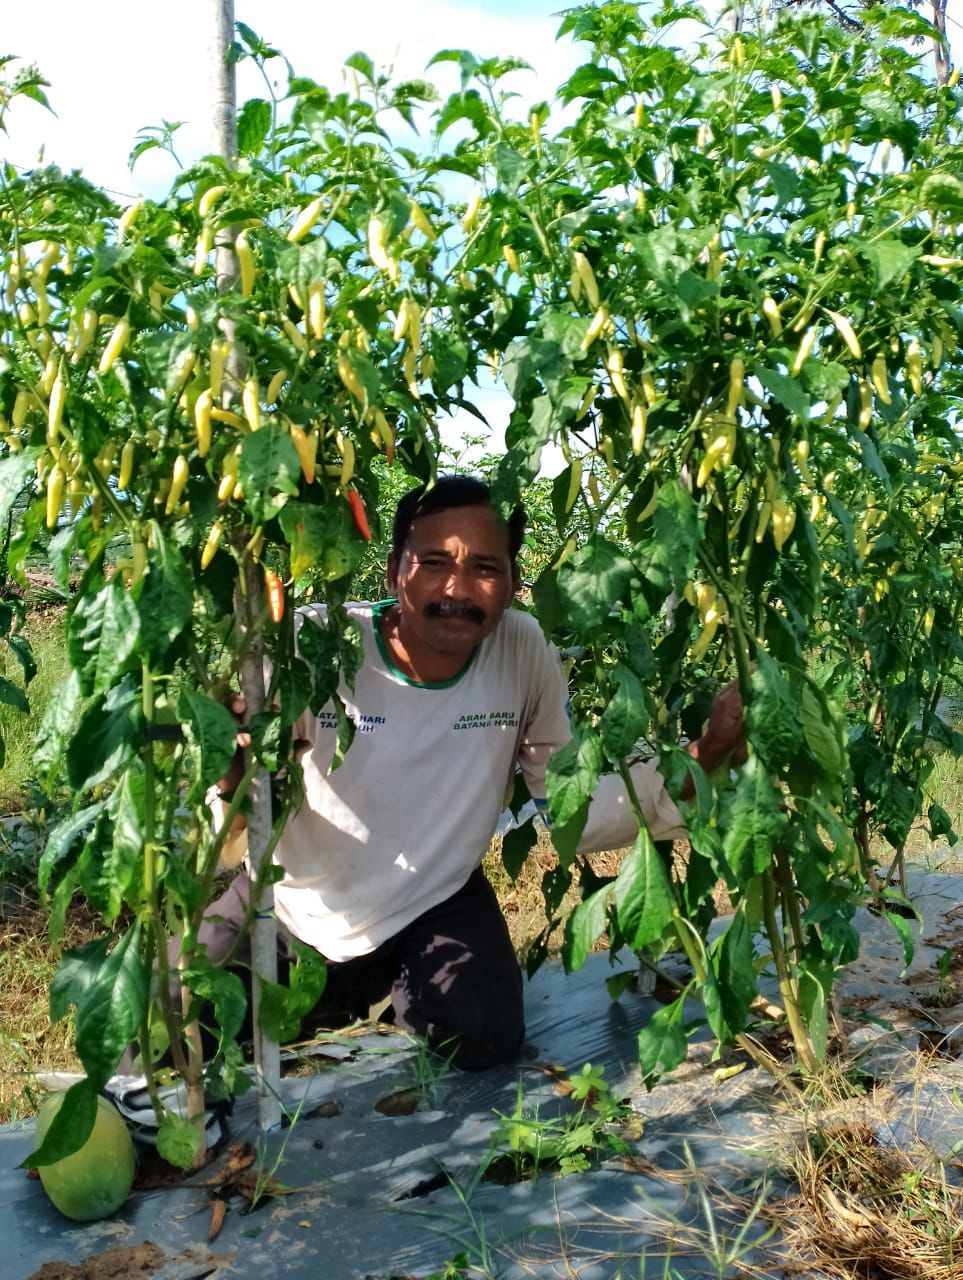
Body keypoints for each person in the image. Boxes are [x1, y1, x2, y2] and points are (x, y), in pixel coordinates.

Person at [198, 475, 746, 1071]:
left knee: (483, 1033)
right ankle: (348, 992)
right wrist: (232, 767)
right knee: (170, 1022)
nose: (457, 588)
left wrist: (709, 751)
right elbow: (235, 823)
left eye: (486, 567)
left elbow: (569, 804)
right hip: (294, 901)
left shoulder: (520, 648)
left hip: (433, 898)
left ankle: (374, 992)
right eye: (433, 562)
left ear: (513, 582)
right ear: (393, 572)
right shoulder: (314, 642)